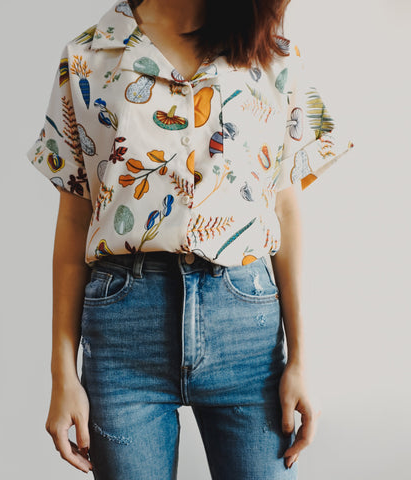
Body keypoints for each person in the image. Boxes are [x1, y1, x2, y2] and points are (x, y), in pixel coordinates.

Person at [26, 0, 354, 478]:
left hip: (247, 331)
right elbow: (76, 220)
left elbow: (284, 209)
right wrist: (62, 372)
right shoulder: (88, 57)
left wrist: (302, 358)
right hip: (123, 334)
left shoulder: (272, 55)